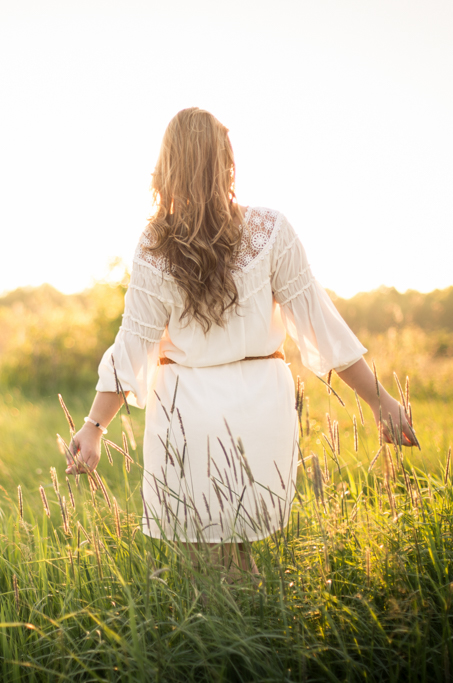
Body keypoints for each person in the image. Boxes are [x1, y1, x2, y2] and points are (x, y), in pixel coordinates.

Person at [67, 107, 417, 580]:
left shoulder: (153, 244)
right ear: (227, 161)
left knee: (203, 569)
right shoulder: (272, 229)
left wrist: (94, 426)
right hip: (260, 410)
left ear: (166, 165)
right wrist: (381, 401)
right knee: (238, 560)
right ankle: (255, 639)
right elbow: (321, 325)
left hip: (184, 416)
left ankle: (220, 645)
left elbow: (133, 343)